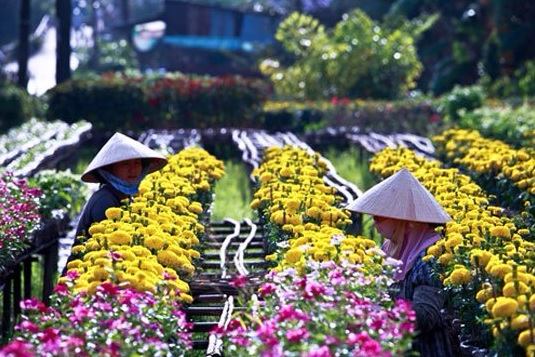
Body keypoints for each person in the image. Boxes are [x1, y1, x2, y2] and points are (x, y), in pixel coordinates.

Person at [346, 168, 454, 357]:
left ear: (406, 221)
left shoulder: (429, 258)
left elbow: (426, 314)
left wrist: (377, 316)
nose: (374, 222)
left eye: (379, 217)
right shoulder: (393, 247)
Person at [75, 132, 167, 239]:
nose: (133, 170)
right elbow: (109, 242)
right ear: (110, 168)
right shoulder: (104, 200)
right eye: (125, 164)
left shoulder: (123, 194)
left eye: (137, 163)